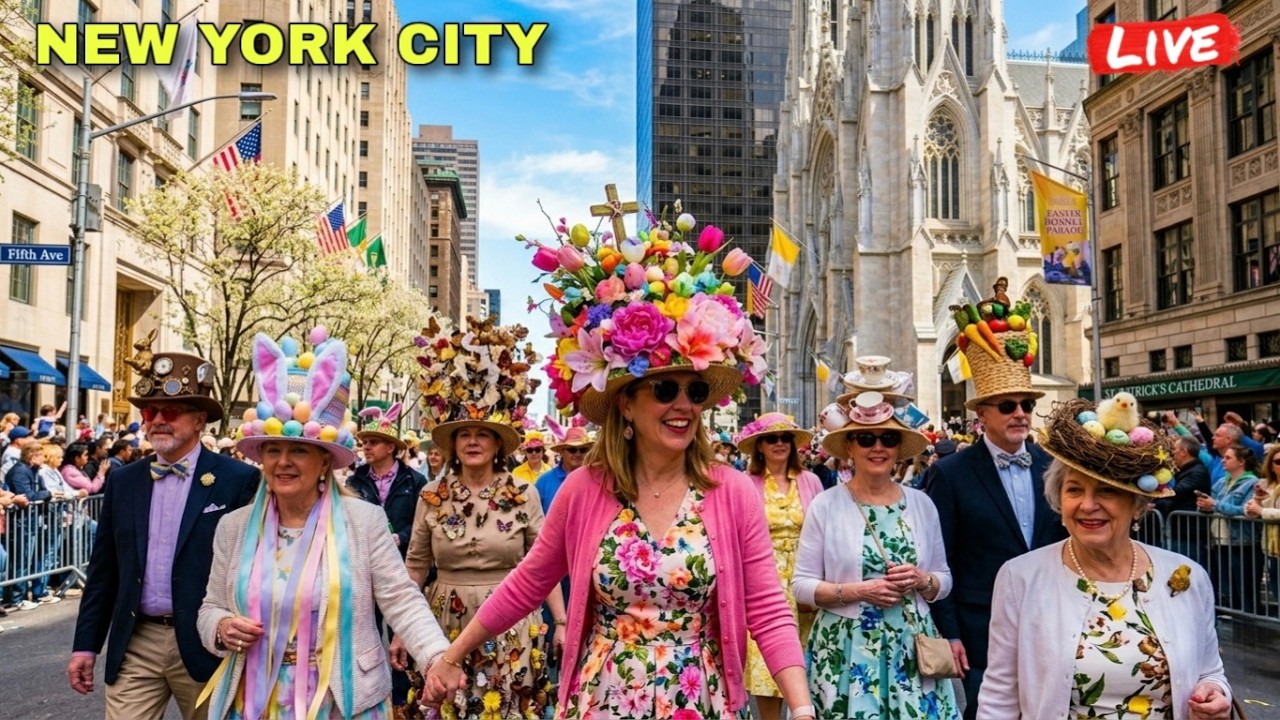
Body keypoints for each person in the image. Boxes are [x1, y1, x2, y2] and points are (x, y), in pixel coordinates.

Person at [423, 210, 813, 720]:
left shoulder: (732, 491)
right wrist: (453, 655)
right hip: (604, 698)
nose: (684, 405)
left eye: (695, 390)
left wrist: (802, 709)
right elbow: (528, 582)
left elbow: (768, 608)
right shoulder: (585, 488)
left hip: (702, 699)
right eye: (665, 389)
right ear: (626, 402)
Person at [198, 330, 451, 720]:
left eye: (298, 450)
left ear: (323, 462)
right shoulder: (234, 527)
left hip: (342, 700)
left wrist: (437, 655)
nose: (283, 462)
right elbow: (210, 606)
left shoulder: (363, 521)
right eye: (273, 450)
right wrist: (221, 626)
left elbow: (401, 599)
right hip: (255, 700)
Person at [978, 399, 1232, 719]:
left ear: (1137, 504)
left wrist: (1216, 693)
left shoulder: (1187, 576)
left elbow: (1211, 671)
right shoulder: (1021, 577)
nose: (1087, 504)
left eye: (1106, 491)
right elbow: (999, 696)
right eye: (1074, 490)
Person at [69, 352, 259, 720]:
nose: (157, 420)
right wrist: (85, 646)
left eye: (169, 412)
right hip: (137, 641)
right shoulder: (123, 481)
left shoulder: (237, 480)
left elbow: (252, 567)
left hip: (209, 642)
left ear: (199, 420)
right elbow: (103, 571)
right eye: (149, 412)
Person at [397, 315, 560, 720]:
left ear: (497, 443)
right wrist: (402, 627)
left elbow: (542, 564)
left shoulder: (523, 493)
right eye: (464, 433)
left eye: (482, 433)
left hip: (511, 620)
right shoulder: (431, 495)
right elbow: (416, 564)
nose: (472, 440)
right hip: (443, 621)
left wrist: (560, 619)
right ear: (451, 443)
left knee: (505, 707)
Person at [920, 292, 1067, 719]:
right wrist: (949, 632)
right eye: (1008, 406)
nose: (1020, 413)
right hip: (981, 630)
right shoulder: (951, 473)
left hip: (1049, 620)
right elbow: (939, 558)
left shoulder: (1054, 468)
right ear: (982, 413)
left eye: (1027, 405)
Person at [795, 373, 957, 719]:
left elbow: (944, 579)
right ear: (850, 447)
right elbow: (801, 587)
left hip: (911, 649)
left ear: (899, 448)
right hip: (845, 648)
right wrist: (858, 591)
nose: (878, 447)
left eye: (888, 439)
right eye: (866, 439)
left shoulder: (922, 504)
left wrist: (922, 580)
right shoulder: (825, 505)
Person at [735, 412, 824, 720]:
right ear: (759, 446)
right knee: (765, 666)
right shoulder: (747, 484)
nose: (780, 443)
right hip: (764, 585)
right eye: (772, 438)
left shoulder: (810, 481)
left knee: (807, 666)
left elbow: (822, 534)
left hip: (804, 583)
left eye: (786, 438)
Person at [349, 403, 425, 558]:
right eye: (365, 442)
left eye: (374, 442)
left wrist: (401, 537)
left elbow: (422, 523)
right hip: (364, 559)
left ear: (390, 448)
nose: (366, 447)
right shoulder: (354, 481)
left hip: (403, 561)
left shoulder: (415, 481)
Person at [1196, 444, 1261, 614]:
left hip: (1242, 542)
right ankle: (1237, 619)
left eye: (1228, 458)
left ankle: (1249, 622)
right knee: (1228, 586)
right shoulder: (1221, 482)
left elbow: (1247, 511)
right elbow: (1214, 503)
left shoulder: (1252, 483)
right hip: (1220, 541)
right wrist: (1204, 506)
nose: (1223, 461)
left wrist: (1215, 505)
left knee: (1244, 587)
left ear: (1241, 462)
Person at [1245, 445, 1280, 614]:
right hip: (1272, 549)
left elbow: (1262, 513)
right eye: (1278, 462)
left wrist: (1262, 511)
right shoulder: (1268, 484)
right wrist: (1257, 500)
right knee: (1276, 589)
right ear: (1271, 465)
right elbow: (1250, 512)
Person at [535, 426, 593, 515]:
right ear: (561, 452)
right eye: (572, 450)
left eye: (583, 450)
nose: (578, 454)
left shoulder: (595, 480)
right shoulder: (544, 482)